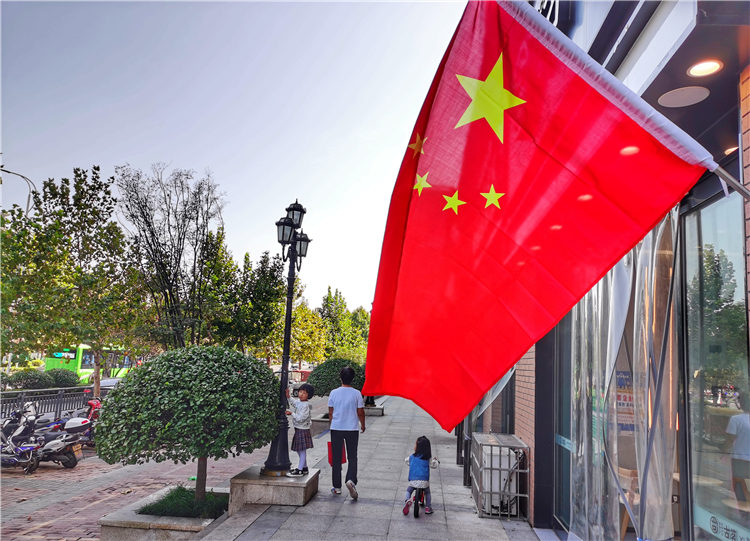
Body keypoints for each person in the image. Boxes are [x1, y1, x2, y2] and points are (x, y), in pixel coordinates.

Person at [328, 366, 365, 499]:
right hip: (352, 428)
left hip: (336, 428)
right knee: (352, 456)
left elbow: (331, 412)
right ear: (352, 378)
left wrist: (332, 424)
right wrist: (363, 424)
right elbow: (360, 412)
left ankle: (337, 487)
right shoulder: (357, 393)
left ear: (340, 378)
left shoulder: (333, 393)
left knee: (336, 457)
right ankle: (351, 480)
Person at [402, 436, 439, 515]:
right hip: (424, 481)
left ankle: (407, 500)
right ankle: (428, 507)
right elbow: (434, 465)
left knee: (408, 491)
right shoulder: (427, 459)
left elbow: (406, 461)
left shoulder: (411, 457)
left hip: (413, 480)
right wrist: (435, 461)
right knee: (427, 493)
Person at [723, 392, 750, 501]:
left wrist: (723, 452)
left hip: (739, 459)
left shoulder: (736, 419)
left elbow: (730, 439)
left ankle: (743, 508)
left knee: (739, 486)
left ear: (741, 404)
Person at [285, 383, 314, 477]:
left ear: (309, 395)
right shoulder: (300, 402)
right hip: (299, 428)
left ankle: (300, 469)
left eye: (304, 393)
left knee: (301, 450)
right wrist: (288, 396)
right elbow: (294, 403)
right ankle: (304, 468)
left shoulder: (305, 406)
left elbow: (301, 418)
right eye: (300, 391)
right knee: (300, 449)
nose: (301, 394)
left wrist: (292, 414)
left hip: (303, 429)